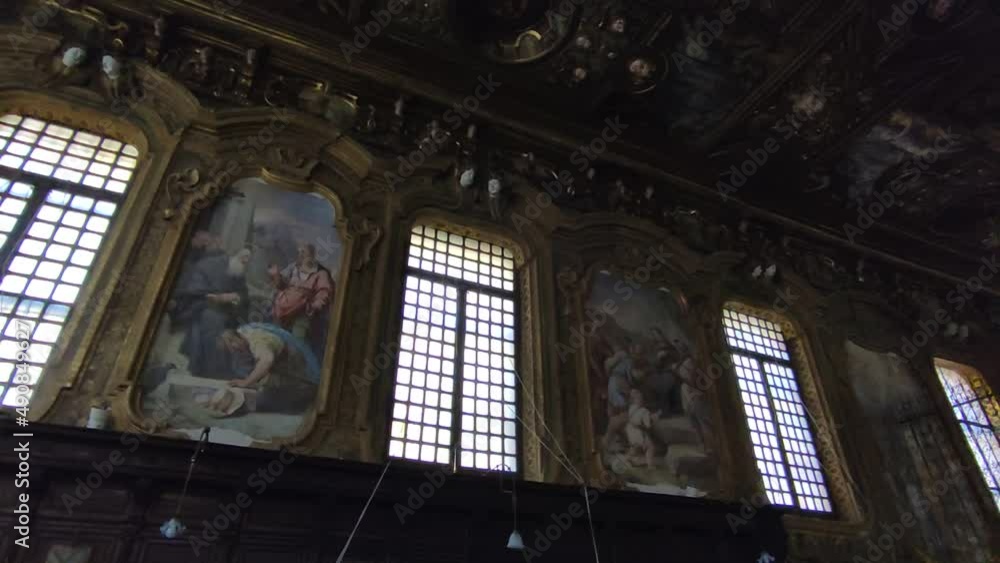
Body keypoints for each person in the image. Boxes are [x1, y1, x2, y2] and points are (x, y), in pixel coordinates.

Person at [170, 248, 251, 377]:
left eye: (248, 259)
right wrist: (219, 297)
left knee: (233, 338)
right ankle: (210, 372)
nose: (246, 261)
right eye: (244, 257)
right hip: (206, 310)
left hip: (229, 317)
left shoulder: (238, 272)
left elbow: (244, 296)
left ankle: (220, 372)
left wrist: (237, 298)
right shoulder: (209, 265)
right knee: (213, 324)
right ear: (235, 254)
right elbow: (194, 291)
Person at [219, 323, 321, 413]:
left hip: (300, 380)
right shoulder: (243, 332)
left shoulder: (257, 340)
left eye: (234, 348)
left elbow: (267, 360)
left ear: (236, 339)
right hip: (285, 373)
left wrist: (247, 382)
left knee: (256, 402)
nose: (235, 352)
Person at [269, 243, 334, 353]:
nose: (300, 255)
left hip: (303, 312)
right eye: (299, 252)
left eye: (303, 252)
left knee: (297, 342)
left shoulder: (320, 273)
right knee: (277, 338)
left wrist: (313, 306)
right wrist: (276, 275)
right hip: (282, 309)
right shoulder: (293, 268)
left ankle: (294, 363)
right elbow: (281, 285)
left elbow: (324, 292)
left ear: (312, 255)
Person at [626, 388, 659, 467]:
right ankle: (650, 465)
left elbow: (634, 420)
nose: (641, 400)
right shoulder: (644, 411)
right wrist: (653, 418)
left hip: (630, 431)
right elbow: (648, 425)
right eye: (640, 398)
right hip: (639, 432)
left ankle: (628, 458)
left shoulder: (631, 408)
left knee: (635, 447)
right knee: (651, 447)